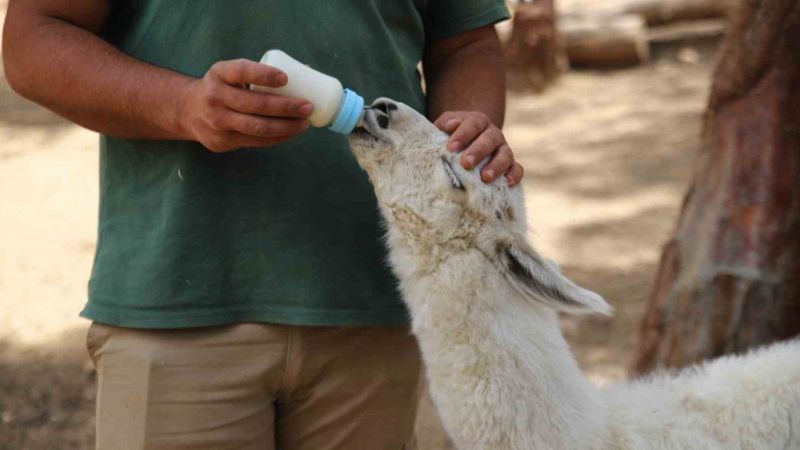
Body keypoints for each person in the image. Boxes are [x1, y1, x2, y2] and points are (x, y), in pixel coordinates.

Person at [3, 1, 523, 448]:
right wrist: (182, 107)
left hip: (373, 309)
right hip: (177, 306)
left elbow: (465, 43)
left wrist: (463, 136)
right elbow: (34, 37)